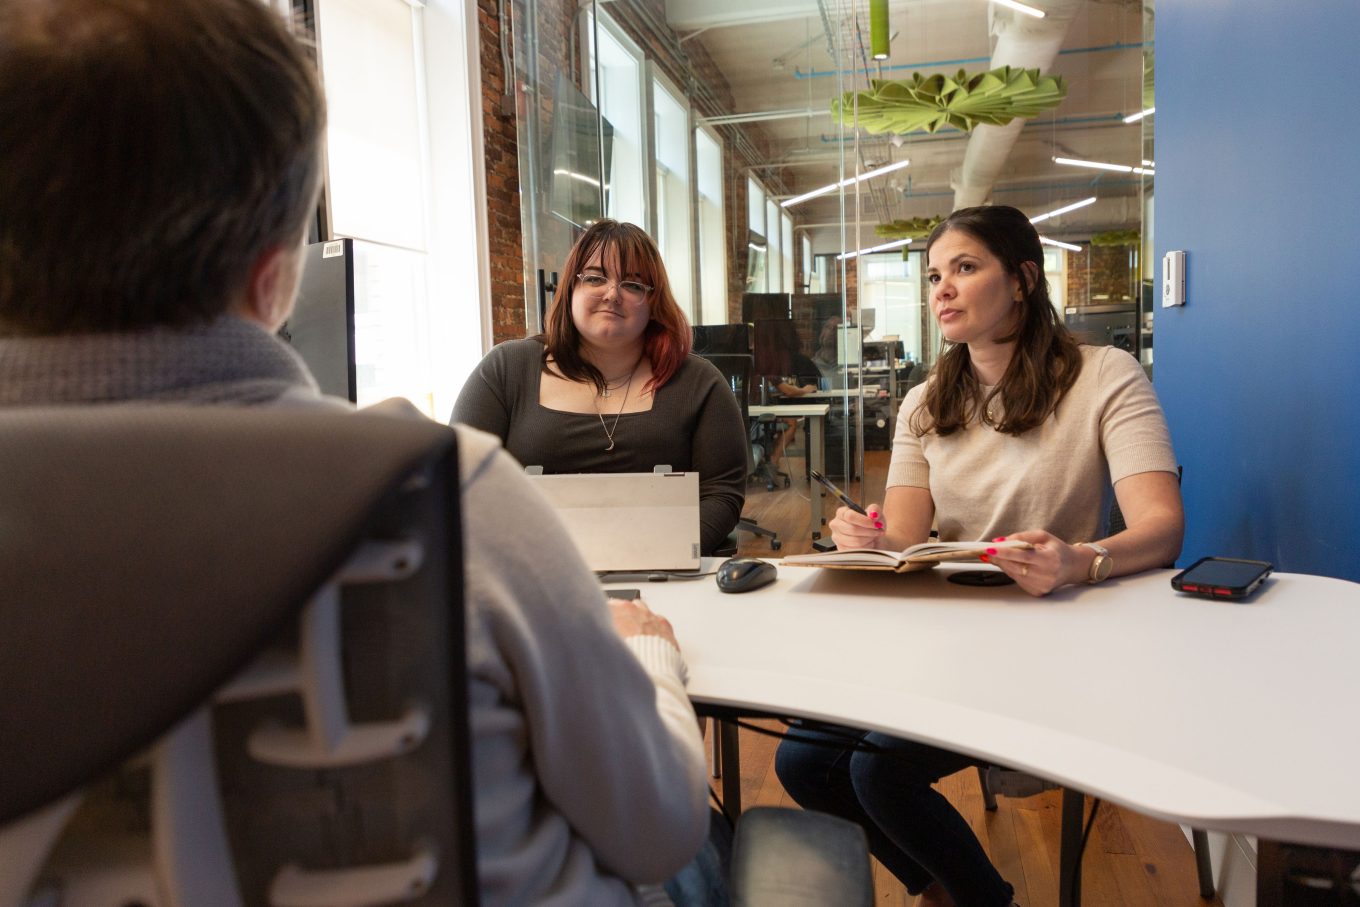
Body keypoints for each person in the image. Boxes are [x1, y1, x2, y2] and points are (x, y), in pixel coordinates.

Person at [0, 2, 711, 904]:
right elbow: (658, 825)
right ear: (278, 262)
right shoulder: (445, 498)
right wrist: (647, 659)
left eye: (633, 282)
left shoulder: (670, 392)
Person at [775, 205, 1184, 907]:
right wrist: (868, 541)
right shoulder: (925, 402)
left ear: (1023, 279)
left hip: (1054, 632)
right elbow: (905, 538)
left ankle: (984, 901)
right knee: (802, 760)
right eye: (936, 274)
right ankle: (942, 887)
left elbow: (1162, 526)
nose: (942, 289)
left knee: (879, 774)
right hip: (947, 635)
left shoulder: (1104, 375)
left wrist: (1079, 559)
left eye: (965, 268)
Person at [452, 220, 748, 555]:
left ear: (654, 302)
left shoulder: (698, 382)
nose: (612, 294)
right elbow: (462, 482)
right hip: (530, 574)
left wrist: (656, 554)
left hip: (666, 573)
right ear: (570, 290)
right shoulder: (507, 368)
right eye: (594, 277)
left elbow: (721, 494)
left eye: (633, 284)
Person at [752, 317, 819, 466]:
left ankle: (766, 463)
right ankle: (772, 464)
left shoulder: (751, 357)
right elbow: (787, 390)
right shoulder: (763, 361)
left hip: (745, 418)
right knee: (792, 423)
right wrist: (804, 389)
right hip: (755, 419)